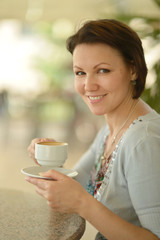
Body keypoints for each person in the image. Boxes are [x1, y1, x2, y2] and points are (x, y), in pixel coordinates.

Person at [26, 19, 160, 240]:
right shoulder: (112, 129)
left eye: (103, 70)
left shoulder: (143, 141)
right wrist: (51, 162)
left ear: (133, 70)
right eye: (80, 73)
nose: (88, 85)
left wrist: (82, 203)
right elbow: (76, 187)